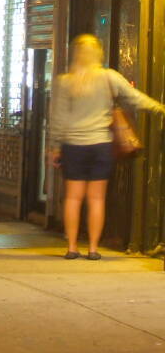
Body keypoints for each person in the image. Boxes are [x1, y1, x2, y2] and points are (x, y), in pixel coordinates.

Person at [48, 34, 165, 260]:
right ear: (98, 53)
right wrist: (159, 107)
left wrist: (54, 147)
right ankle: (93, 249)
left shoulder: (65, 81)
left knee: (73, 198)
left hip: (73, 146)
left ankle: (72, 247)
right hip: (100, 145)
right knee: (96, 199)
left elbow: (58, 117)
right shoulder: (109, 77)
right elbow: (134, 98)